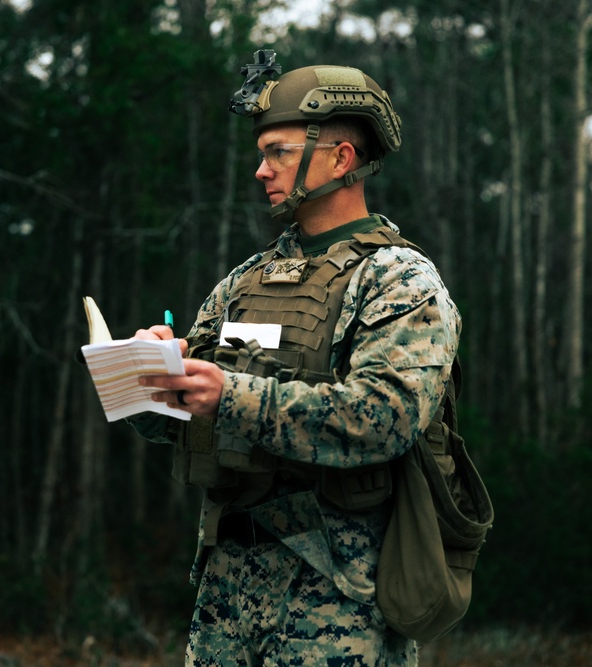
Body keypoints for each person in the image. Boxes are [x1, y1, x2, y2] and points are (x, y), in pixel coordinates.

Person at [129, 51, 460, 666]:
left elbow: (381, 418)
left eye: (278, 151)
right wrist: (151, 380)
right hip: (226, 592)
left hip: (338, 601)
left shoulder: (398, 280)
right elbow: (174, 422)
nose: (261, 170)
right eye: (261, 153)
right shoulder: (246, 283)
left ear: (342, 159)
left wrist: (229, 396)